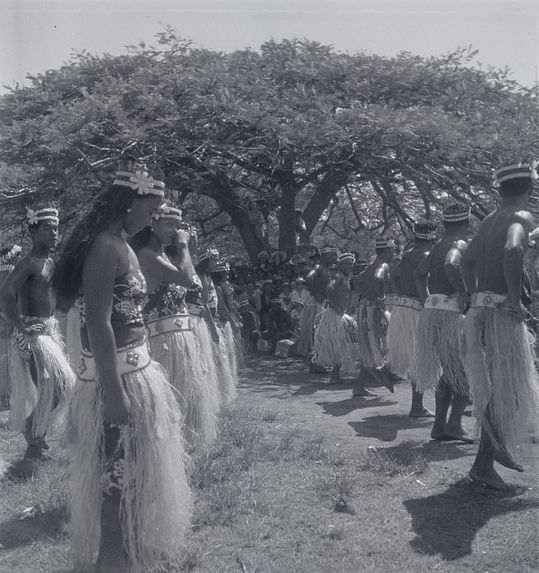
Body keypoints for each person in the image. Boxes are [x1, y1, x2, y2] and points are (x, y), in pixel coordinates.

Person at [53, 161, 192, 572]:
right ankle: (110, 561)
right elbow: (96, 321)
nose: (153, 217)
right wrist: (113, 394)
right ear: (130, 201)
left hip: (137, 371)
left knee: (138, 473)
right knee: (117, 476)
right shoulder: (104, 246)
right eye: (151, 208)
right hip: (118, 381)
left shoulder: (123, 244)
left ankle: (129, 551)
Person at [461, 162, 539, 490]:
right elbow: (513, 249)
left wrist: (472, 296)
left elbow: (467, 260)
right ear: (529, 189)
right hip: (501, 313)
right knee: (510, 387)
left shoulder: (490, 220)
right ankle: (484, 462)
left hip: (479, 309)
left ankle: (494, 450)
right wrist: (514, 298)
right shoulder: (521, 218)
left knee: (506, 387)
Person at [133, 204, 219, 449]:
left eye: (176, 226)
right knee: (171, 399)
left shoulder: (164, 258)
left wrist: (182, 249)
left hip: (180, 339)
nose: (174, 231)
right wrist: (183, 245)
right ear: (153, 224)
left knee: (186, 396)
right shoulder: (146, 256)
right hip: (163, 343)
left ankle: (181, 448)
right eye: (169, 225)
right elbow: (185, 278)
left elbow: (191, 281)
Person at [0, 208, 75, 463]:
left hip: (49, 332)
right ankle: (33, 433)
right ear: (32, 232)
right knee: (61, 383)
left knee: (58, 385)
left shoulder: (50, 263)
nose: (54, 233)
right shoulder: (29, 262)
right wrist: (21, 327)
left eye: (55, 228)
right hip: (33, 336)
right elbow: (6, 293)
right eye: (47, 228)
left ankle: (35, 437)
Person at [414, 203, 472, 443]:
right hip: (448, 315)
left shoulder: (437, 244)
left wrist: (426, 299)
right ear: (466, 223)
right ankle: (454, 425)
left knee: (449, 372)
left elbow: (419, 272)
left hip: (432, 312)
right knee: (460, 375)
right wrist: (465, 292)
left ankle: (440, 426)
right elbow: (451, 264)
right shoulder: (457, 244)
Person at [387, 220, 437, 417]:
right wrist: (426, 303)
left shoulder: (407, 254)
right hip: (416, 309)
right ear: (432, 237)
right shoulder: (427, 255)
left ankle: (384, 370)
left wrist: (402, 296)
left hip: (401, 308)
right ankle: (417, 406)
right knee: (420, 358)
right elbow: (420, 278)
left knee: (413, 357)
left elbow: (394, 276)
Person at [353, 237, 395, 396]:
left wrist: (366, 295)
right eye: (393, 250)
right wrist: (380, 298)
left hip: (366, 307)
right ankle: (378, 372)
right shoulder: (382, 265)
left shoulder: (371, 265)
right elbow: (378, 277)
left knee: (371, 347)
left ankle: (359, 386)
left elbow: (356, 281)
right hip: (374, 310)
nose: (394, 253)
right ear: (386, 250)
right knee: (379, 345)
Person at [196, 250, 237, 405]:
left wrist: (231, 321)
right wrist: (212, 328)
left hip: (215, 322)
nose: (217, 263)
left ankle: (219, 394)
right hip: (206, 324)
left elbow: (220, 305)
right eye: (215, 260)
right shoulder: (202, 279)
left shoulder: (209, 279)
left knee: (220, 358)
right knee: (211, 360)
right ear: (207, 261)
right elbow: (204, 305)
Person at [301, 246, 338, 372]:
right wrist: (316, 293)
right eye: (333, 255)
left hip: (322, 304)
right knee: (318, 334)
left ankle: (317, 362)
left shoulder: (325, 269)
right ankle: (315, 363)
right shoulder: (319, 268)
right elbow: (308, 278)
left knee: (321, 334)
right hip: (317, 305)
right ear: (325, 255)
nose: (335, 257)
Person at [0, 244, 22, 409]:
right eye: (17, 255)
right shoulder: (9, 275)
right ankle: (7, 394)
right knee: (7, 356)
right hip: (7, 320)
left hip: (7, 319)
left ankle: (7, 394)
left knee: (7, 354)